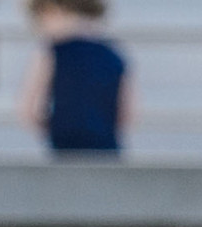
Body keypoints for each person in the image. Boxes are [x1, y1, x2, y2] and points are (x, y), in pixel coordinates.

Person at [15, 0, 130, 160]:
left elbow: (29, 110)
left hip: (65, 148)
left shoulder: (51, 53)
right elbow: (127, 114)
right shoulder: (114, 55)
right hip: (106, 148)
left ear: (52, 11)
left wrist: (55, 127)